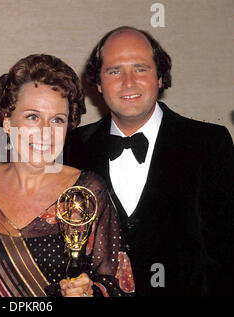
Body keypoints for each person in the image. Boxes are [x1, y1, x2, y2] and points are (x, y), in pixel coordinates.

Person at [64, 26, 234, 296]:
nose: (128, 82)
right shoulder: (72, 146)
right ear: (98, 82)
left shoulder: (208, 143)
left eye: (140, 69)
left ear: (160, 78)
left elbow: (225, 253)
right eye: (114, 71)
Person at [0, 54, 135, 297]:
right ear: (8, 123)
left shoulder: (86, 191)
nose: (46, 132)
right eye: (33, 116)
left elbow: (120, 285)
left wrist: (89, 293)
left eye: (57, 120)